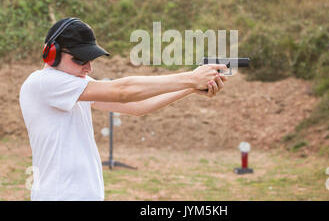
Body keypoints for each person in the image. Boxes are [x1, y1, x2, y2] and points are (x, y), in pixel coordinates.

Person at [19, 17, 228, 201]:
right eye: (80, 59)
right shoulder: (44, 82)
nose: (88, 67)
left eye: (90, 60)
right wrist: (190, 78)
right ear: (51, 54)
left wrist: (190, 87)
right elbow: (123, 91)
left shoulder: (72, 84)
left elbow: (136, 106)